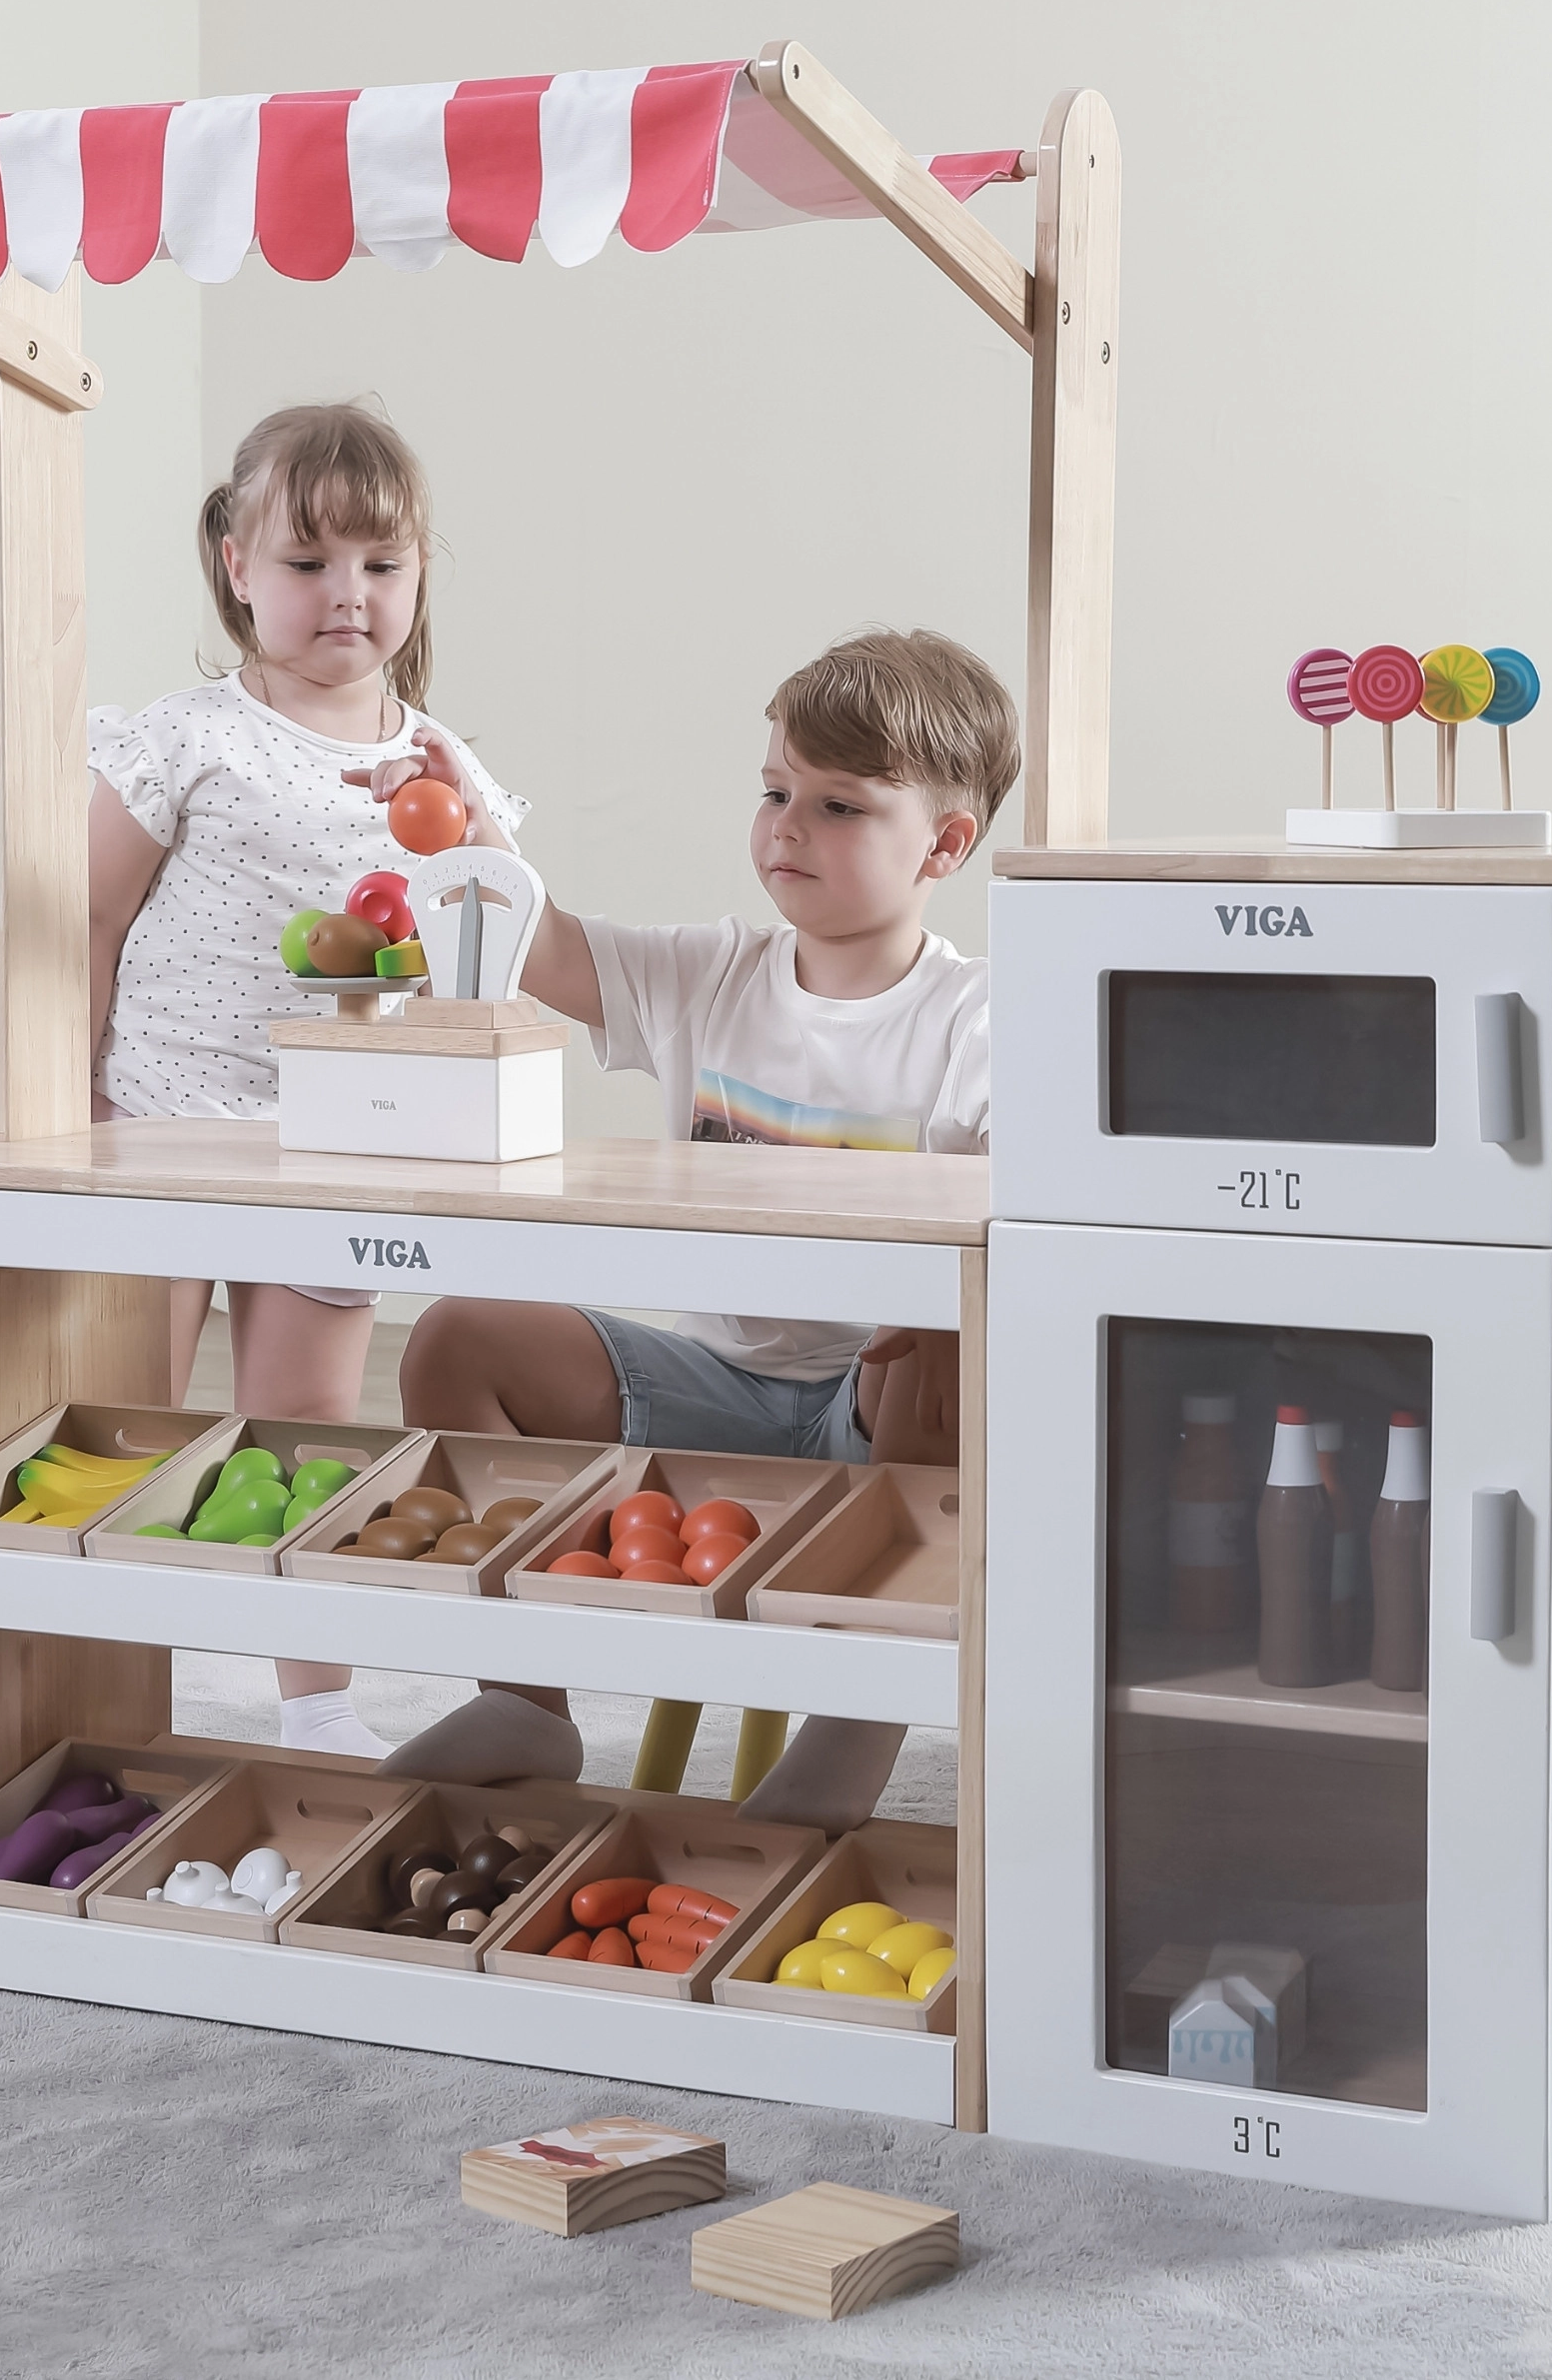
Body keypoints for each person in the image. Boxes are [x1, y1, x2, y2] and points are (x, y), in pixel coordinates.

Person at [360, 627, 1017, 1801]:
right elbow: (544, 946)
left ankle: (856, 1725)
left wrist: (942, 1296)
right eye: (774, 793)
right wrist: (472, 829)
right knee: (457, 1333)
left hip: (880, 1415)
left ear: (944, 844)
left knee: (945, 1334)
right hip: (712, 1384)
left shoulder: (975, 1018)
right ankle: (523, 1704)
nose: (787, 827)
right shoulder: (710, 974)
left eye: (838, 806)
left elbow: (1031, 1202)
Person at [87, 400, 528, 1759]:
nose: (349, 594)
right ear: (236, 564)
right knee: (128, 1420)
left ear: (420, 574)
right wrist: (68, 1114)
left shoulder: (439, 768)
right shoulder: (189, 737)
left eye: (382, 564)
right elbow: (89, 923)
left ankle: (318, 1703)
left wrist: (475, 823)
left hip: (331, 1138)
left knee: (310, 1424)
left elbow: (496, 949)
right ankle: (98, 1688)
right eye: (308, 561)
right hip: (158, 1127)